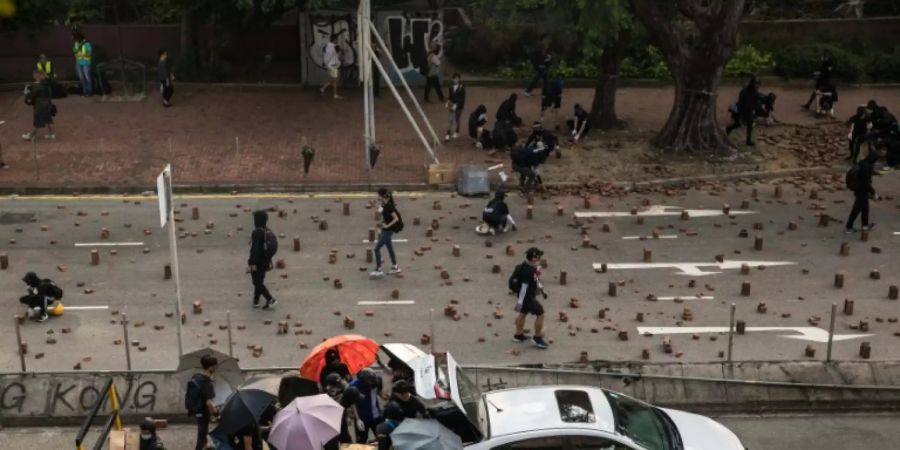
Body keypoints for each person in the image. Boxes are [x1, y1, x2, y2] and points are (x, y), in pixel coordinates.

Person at [509, 247, 549, 349]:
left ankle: (518, 335)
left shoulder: (524, 266)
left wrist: (541, 289)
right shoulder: (528, 271)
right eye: (538, 256)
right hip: (527, 297)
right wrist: (520, 302)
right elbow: (524, 287)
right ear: (534, 258)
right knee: (540, 313)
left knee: (523, 313)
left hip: (524, 296)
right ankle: (537, 338)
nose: (540, 258)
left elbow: (535, 279)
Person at [370, 188, 403, 278]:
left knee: (376, 249)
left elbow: (396, 218)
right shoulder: (384, 204)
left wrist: (387, 226)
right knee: (389, 248)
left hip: (389, 230)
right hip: (386, 229)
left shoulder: (389, 206)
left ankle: (378, 270)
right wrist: (374, 205)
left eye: (378, 195)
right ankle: (395, 267)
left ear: (382, 196)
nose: (377, 196)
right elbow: (380, 211)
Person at [845, 151, 880, 233]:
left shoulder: (863, 162)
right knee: (857, 209)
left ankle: (865, 225)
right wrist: (873, 193)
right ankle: (849, 227)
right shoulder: (866, 167)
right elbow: (866, 183)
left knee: (865, 208)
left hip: (860, 189)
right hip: (861, 190)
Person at [248, 210, 277, 309]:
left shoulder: (256, 232)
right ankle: (256, 301)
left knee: (257, 282)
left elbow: (254, 249)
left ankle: (270, 299)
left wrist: (251, 262)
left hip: (258, 262)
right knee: (259, 280)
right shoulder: (267, 230)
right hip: (265, 260)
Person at [189, 355, 218, 450]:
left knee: (202, 436)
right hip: (204, 414)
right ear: (210, 367)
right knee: (201, 437)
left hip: (197, 411)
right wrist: (216, 414)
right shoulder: (207, 383)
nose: (215, 368)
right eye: (215, 366)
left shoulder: (196, 377)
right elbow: (209, 403)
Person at [351, 368, 383, 443]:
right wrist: (357, 419)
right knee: (361, 441)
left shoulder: (377, 381)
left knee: (382, 438)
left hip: (376, 416)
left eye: (372, 380)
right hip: (362, 417)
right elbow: (353, 403)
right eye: (369, 381)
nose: (371, 382)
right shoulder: (355, 386)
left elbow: (379, 393)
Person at [726, 77, 760, 146]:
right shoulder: (744, 91)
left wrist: (754, 111)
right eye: (755, 84)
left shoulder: (756, 93)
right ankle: (727, 131)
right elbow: (741, 103)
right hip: (740, 110)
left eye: (758, 84)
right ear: (752, 84)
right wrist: (740, 114)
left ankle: (748, 141)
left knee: (750, 126)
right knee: (737, 124)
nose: (757, 86)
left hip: (749, 111)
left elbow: (755, 103)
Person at [21, 70, 55, 141]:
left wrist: (26, 91)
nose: (33, 76)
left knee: (38, 121)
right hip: (47, 103)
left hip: (40, 105)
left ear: (37, 76)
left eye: (34, 75)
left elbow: (30, 95)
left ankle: (31, 136)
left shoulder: (38, 85)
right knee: (48, 120)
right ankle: (51, 135)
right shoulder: (46, 83)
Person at [320, 34, 342, 99]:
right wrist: (326, 63)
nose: (337, 40)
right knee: (335, 80)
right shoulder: (333, 47)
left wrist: (325, 63)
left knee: (332, 80)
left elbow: (327, 55)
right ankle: (335, 94)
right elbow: (329, 56)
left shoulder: (328, 46)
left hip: (331, 65)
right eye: (337, 39)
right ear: (334, 39)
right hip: (332, 66)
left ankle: (323, 88)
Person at [445, 73, 465, 141]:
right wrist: (448, 102)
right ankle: (448, 133)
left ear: (459, 79)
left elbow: (462, 98)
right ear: (452, 79)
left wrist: (457, 105)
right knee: (450, 119)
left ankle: (457, 131)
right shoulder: (450, 87)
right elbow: (450, 96)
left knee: (457, 119)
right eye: (454, 78)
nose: (456, 80)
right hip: (452, 105)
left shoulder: (461, 87)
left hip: (459, 107)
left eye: (457, 78)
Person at [72, 30, 93, 96]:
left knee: (87, 77)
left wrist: (82, 55)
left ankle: (89, 91)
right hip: (79, 62)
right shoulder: (76, 44)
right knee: (81, 77)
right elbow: (75, 52)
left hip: (86, 62)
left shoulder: (87, 43)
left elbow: (89, 54)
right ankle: (84, 90)